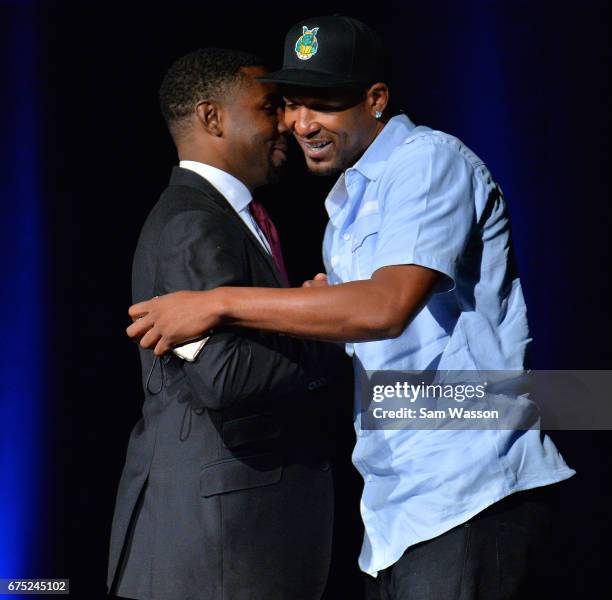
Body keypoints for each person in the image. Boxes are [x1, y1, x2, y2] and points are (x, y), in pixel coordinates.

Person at [126, 17, 576, 599]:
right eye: (291, 104)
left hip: (466, 490)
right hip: (397, 509)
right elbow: (363, 327)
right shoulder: (349, 204)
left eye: (325, 104)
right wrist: (322, 311)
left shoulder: (425, 160)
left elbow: (385, 309)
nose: (300, 123)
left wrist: (217, 304)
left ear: (376, 100)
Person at [107, 47, 353, 600]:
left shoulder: (228, 217)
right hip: (216, 547)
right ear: (211, 117)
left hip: (234, 534)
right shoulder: (191, 223)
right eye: (270, 108)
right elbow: (226, 376)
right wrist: (336, 327)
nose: (287, 124)